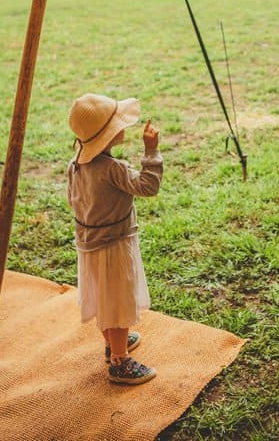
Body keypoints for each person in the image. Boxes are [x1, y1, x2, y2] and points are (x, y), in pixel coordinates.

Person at [66, 93, 162, 384]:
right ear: (108, 135)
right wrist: (151, 151)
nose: (124, 126)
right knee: (118, 304)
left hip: (89, 245)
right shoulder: (113, 169)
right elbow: (148, 186)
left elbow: (72, 200)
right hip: (114, 245)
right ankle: (119, 361)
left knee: (103, 298)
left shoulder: (76, 164)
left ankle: (113, 342)